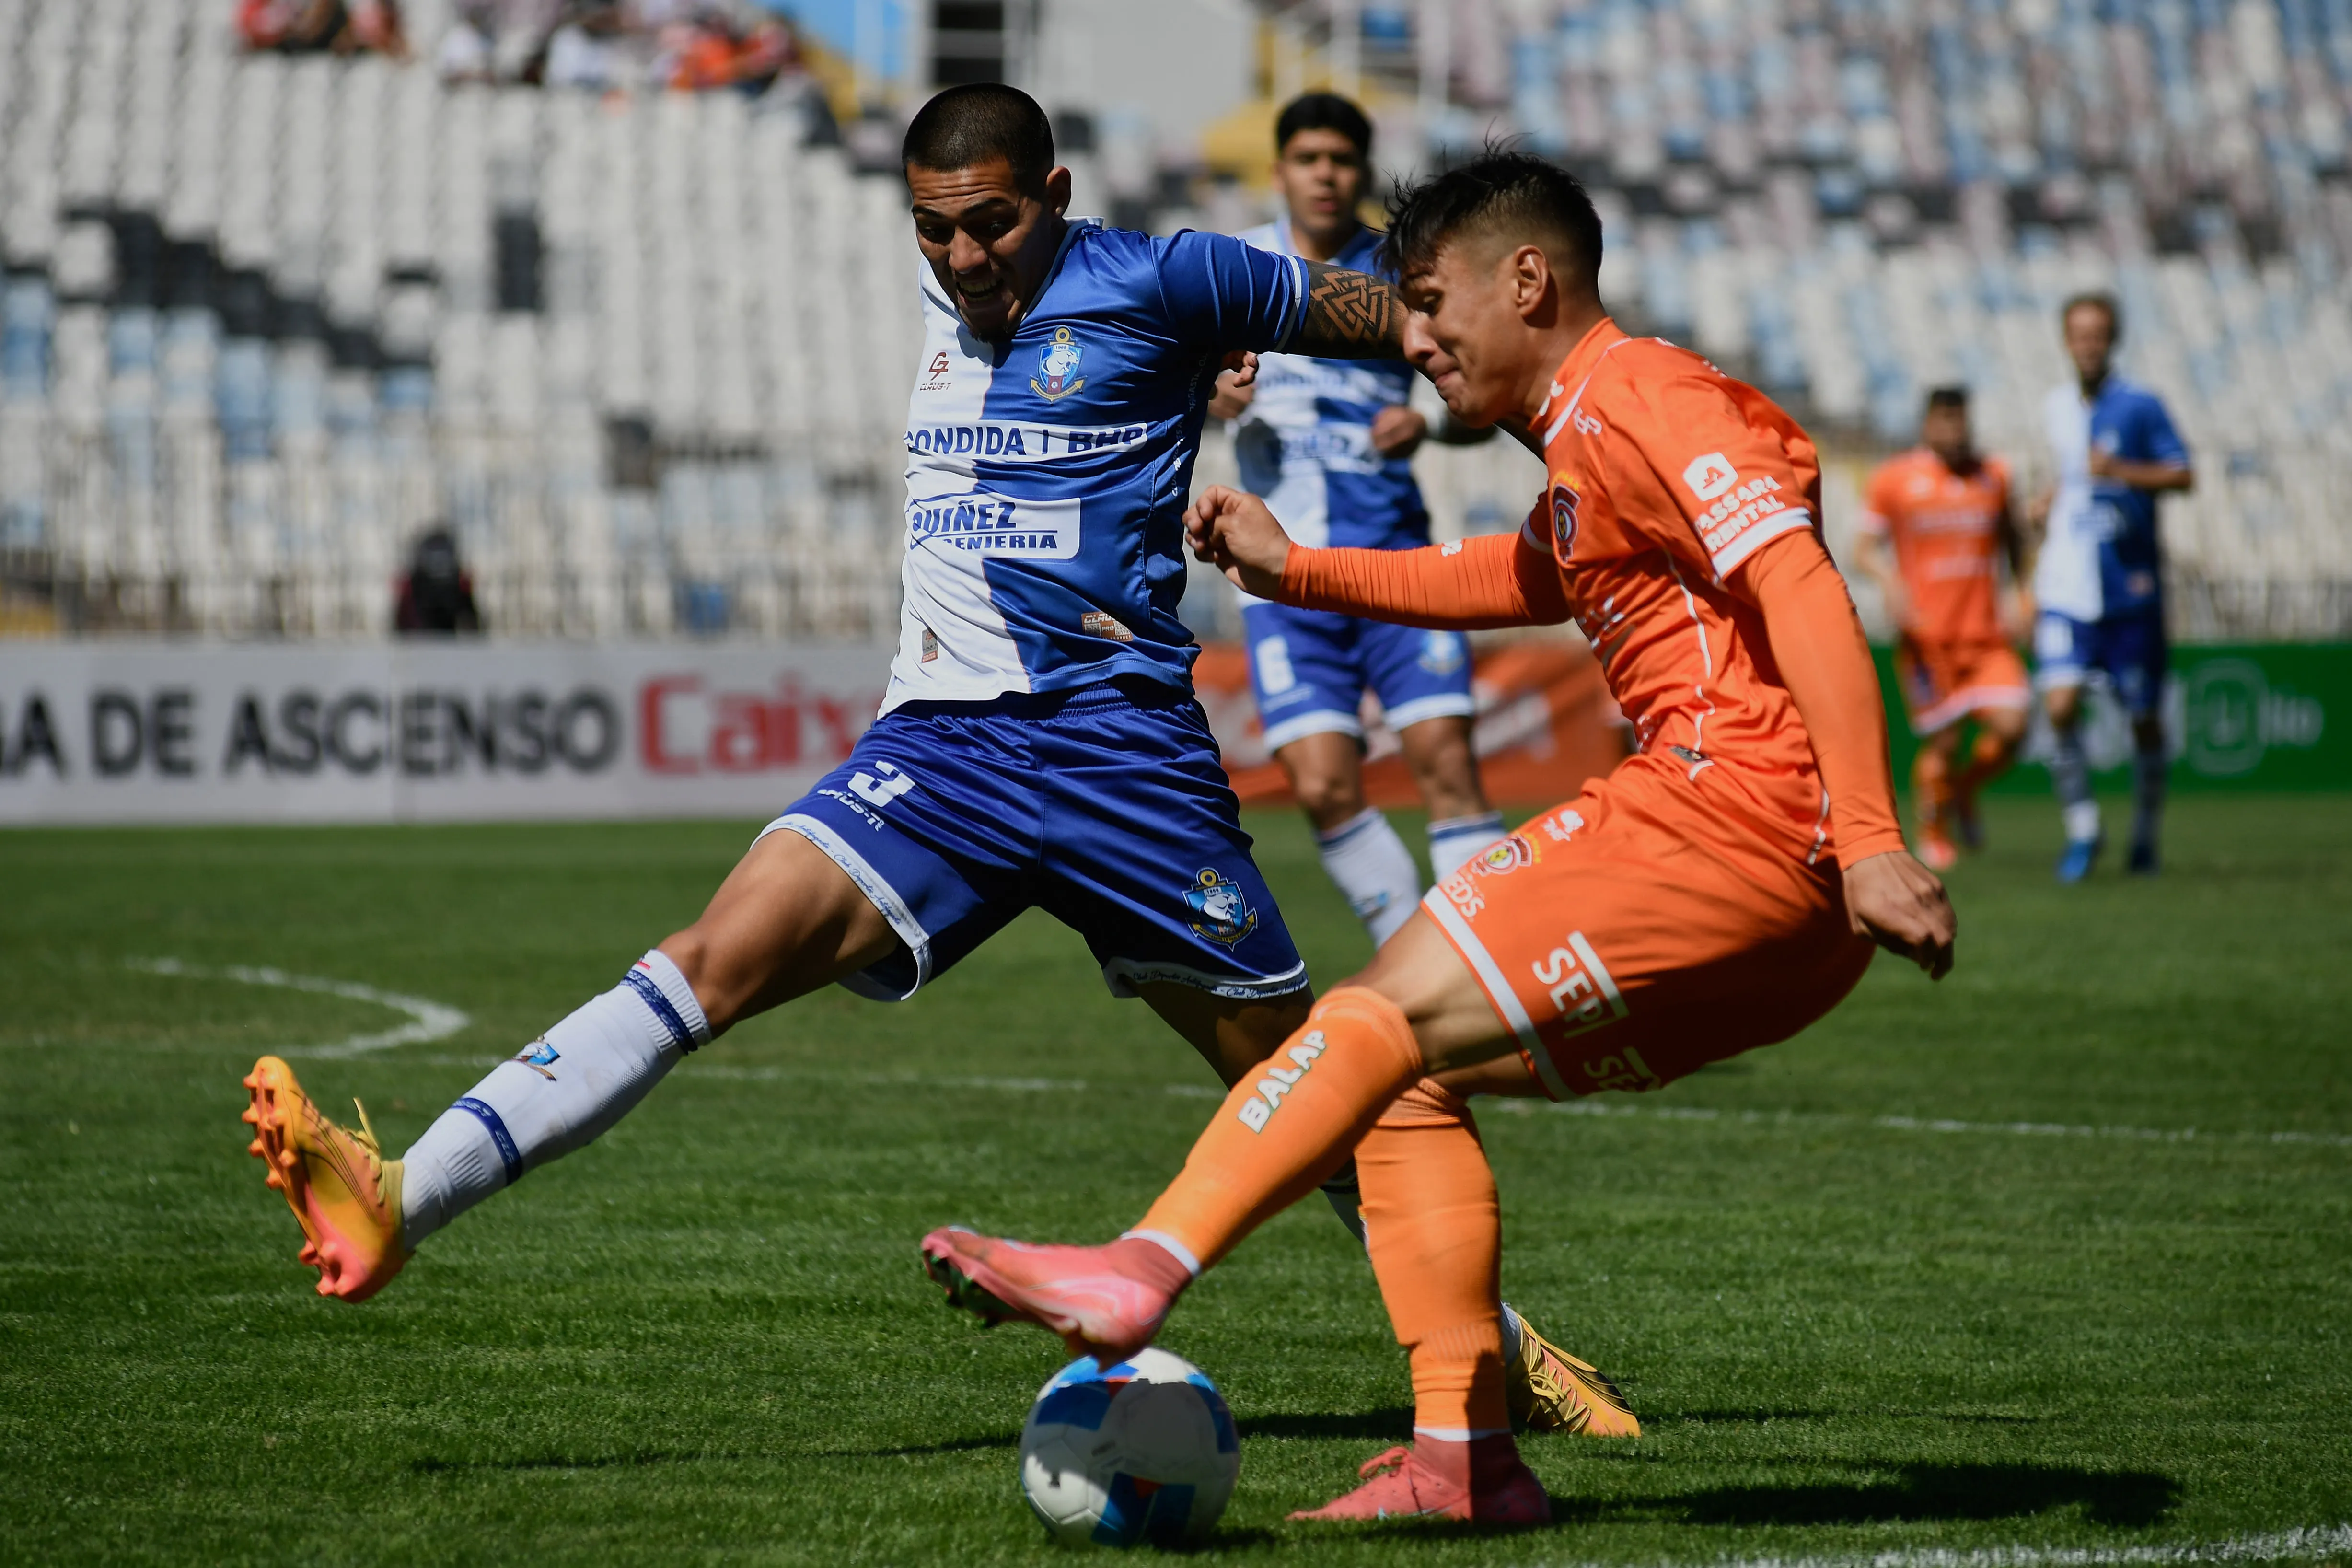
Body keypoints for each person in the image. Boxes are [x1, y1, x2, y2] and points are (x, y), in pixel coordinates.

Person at [239, 87, 1623, 1436]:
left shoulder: (1171, 277)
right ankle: (401, 1191)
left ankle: (1494, 1359)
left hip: (1121, 761)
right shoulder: (942, 294)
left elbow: (1406, 323)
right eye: (934, 231)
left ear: (1059, 199)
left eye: (994, 225)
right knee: (709, 956)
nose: (965, 259)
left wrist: (1562, 405)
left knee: (1320, 1089)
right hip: (941, 751)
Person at [920, 151, 1958, 1527]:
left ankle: (1141, 1266)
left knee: (1359, 1020)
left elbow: (1800, 581)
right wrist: (1305, 571)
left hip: (1735, 815)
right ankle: (1461, 1455)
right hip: (1780, 896)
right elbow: (1523, 573)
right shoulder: (1588, 437)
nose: (1410, 339)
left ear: (1526, 280)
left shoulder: (1643, 390)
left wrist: (1873, 832)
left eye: (1426, 301)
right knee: (1397, 1079)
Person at [1213, 93, 1506, 947]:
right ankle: (1410, 953)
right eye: (1308, 159)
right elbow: (1175, 383)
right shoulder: (1237, 270)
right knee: (1321, 786)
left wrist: (1431, 421)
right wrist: (1212, 393)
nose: (1325, 176)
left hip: (1397, 566)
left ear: (1362, 172)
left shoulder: (1401, 269)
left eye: (1341, 160)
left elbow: (1482, 389)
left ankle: (1484, 970)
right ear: (1280, 172)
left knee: (1446, 764)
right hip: (1281, 574)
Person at [2030, 294, 2193, 881]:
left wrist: (2122, 472)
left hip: (2128, 591)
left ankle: (2144, 836)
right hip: (2066, 588)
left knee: (2143, 716)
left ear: (2112, 340)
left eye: (2097, 334)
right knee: (2058, 705)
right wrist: (2047, 502)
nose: (2088, 344)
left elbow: (2182, 473)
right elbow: (2070, 475)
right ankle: (2082, 829)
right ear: (2065, 341)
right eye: (2078, 334)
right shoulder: (2055, 407)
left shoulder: (2140, 406)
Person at [1852, 386, 2031, 869]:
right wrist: (1889, 583)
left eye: (1960, 420)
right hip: (1926, 638)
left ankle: (1962, 791)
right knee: (1945, 741)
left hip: (1986, 635)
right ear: (1926, 424)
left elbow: (2016, 541)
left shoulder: (1993, 476)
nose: (1954, 429)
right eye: (1944, 420)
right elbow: (1863, 547)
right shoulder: (1894, 480)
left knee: (2014, 727)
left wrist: (2024, 594)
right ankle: (1933, 827)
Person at [393, 525, 483, 635]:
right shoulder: (413, 582)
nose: (438, 562)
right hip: (422, 642)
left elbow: (472, 618)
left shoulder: (459, 580)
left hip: (441, 642)